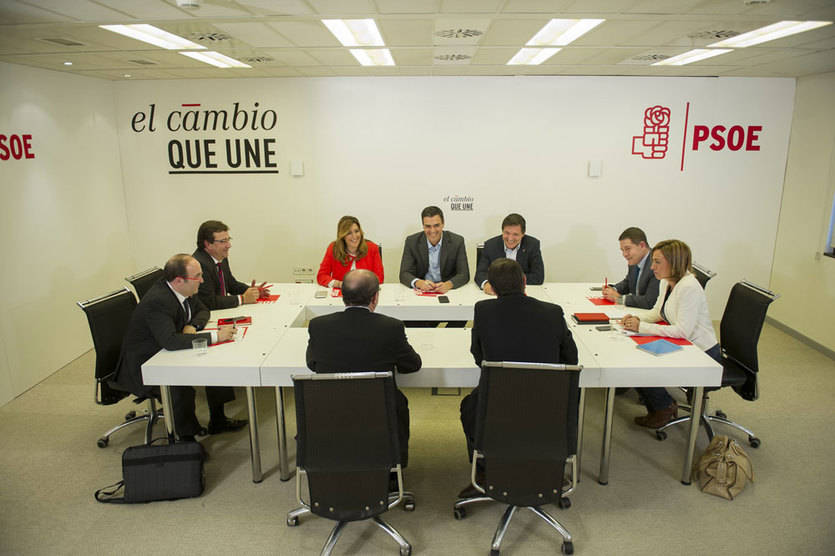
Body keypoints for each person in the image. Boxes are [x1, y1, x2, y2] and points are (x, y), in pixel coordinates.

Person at [458, 259, 578, 498]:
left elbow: (479, 356)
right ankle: (549, 469)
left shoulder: (483, 310)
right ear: (524, 281)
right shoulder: (553, 312)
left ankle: (484, 472)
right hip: (547, 403)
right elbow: (571, 360)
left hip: (497, 404)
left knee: (470, 407)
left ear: (492, 287)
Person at [112, 254, 245, 441]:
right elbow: (171, 341)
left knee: (214, 364)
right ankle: (186, 441)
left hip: (165, 349)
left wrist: (193, 326)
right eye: (197, 276)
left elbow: (203, 310)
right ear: (178, 280)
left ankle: (218, 420)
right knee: (180, 387)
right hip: (145, 363)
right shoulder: (158, 300)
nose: (202, 280)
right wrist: (216, 336)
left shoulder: (184, 290)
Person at [306, 269, 422, 468]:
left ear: (342, 296)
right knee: (399, 402)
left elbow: (312, 363)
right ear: (375, 297)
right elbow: (412, 365)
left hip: (331, 410)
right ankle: (394, 469)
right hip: (379, 412)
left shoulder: (319, 326)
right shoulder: (391, 327)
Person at [622, 239, 721, 428]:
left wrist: (641, 327)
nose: (652, 267)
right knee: (633, 355)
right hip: (684, 344)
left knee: (641, 364)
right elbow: (658, 312)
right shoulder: (666, 282)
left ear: (674, 263)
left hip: (702, 352)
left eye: (657, 262)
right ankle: (660, 406)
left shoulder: (689, 287)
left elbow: (682, 331)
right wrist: (635, 320)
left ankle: (663, 407)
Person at [192, 220, 269, 310]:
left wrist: (251, 291)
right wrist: (242, 299)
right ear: (208, 244)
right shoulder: (198, 265)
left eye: (228, 240)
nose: (229, 245)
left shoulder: (221, 256)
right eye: (223, 241)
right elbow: (209, 302)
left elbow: (231, 284)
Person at [399, 205, 469, 294]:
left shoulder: (457, 241)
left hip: (448, 291)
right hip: (421, 291)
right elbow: (404, 274)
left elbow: (464, 274)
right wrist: (419, 283)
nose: (432, 230)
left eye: (436, 225)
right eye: (428, 226)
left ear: (443, 224)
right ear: (423, 226)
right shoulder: (412, 241)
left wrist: (448, 284)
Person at [474, 213, 544, 295]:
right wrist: (486, 284)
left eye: (515, 234)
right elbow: (480, 273)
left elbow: (538, 277)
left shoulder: (532, 245)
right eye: (507, 233)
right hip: (496, 294)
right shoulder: (490, 245)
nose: (510, 238)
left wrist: (508, 282)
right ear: (502, 231)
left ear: (523, 234)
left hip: (523, 293)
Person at [316, 215, 384, 288]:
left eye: (356, 231)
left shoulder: (372, 248)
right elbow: (321, 276)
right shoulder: (333, 248)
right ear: (342, 236)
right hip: (341, 292)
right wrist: (339, 284)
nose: (354, 236)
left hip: (365, 291)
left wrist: (361, 286)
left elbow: (379, 278)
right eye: (349, 233)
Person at [602, 226, 660, 309]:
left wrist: (619, 298)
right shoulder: (635, 260)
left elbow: (650, 302)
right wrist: (613, 289)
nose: (625, 254)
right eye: (622, 250)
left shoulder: (656, 264)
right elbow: (628, 282)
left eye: (627, 249)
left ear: (642, 245)